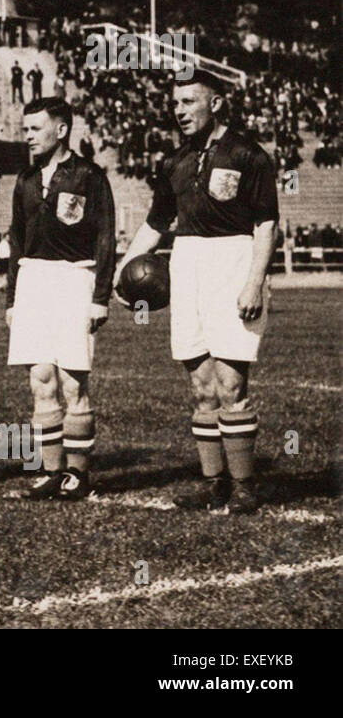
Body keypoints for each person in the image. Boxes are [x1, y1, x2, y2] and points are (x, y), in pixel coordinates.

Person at [116, 70, 278, 514]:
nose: (180, 111)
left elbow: (266, 223)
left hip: (234, 261)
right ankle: (214, 484)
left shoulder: (248, 154)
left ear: (217, 103)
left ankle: (244, 485)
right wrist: (122, 269)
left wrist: (253, 281)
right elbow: (155, 223)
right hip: (187, 263)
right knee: (201, 386)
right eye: (175, 104)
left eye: (189, 102)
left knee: (231, 382)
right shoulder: (173, 161)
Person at [6, 99, 116, 500]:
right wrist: (12, 298)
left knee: (72, 381)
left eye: (35, 128)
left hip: (75, 278)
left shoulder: (89, 176)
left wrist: (100, 296)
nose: (28, 136)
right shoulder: (25, 179)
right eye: (26, 129)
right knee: (41, 380)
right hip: (34, 279)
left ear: (62, 130)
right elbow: (16, 240)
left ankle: (78, 475)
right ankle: (52, 471)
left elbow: (106, 236)